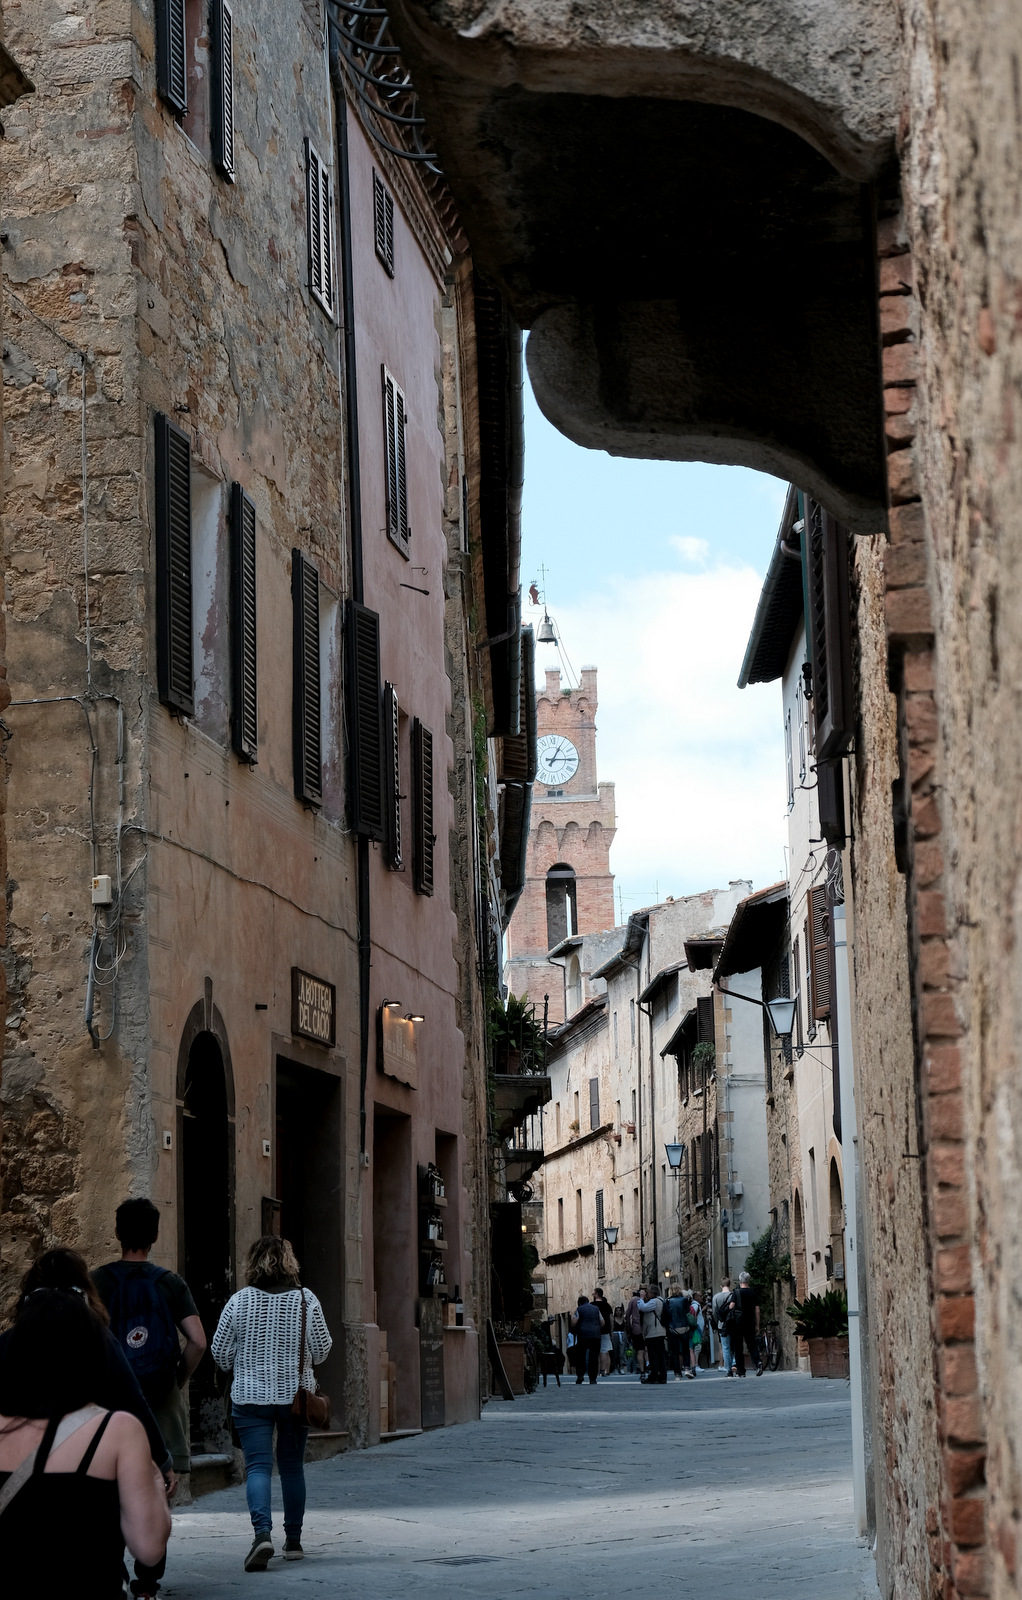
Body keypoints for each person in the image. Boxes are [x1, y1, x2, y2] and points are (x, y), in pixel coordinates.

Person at [1, 1247, 175, 1599]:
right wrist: (158, 1466)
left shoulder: (6, 1344)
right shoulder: (118, 1433)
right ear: (92, 1353)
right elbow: (149, 1546)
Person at [212, 1235, 332, 1570]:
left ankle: (262, 1535)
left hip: (249, 1398)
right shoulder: (307, 1300)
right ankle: (293, 1541)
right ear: (289, 1262)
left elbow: (220, 1354)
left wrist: (247, 1360)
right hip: (295, 1399)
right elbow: (322, 1350)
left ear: (252, 1264)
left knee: (258, 1467)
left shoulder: (238, 1302)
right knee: (292, 1467)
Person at [93, 1197, 207, 1496]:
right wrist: (176, 1381)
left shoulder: (97, 1282)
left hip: (111, 1402)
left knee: (110, 1496)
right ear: (155, 1236)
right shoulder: (171, 1283)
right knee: (158, 1496)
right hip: (162, 1401)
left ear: (117, 1233)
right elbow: (198, 1341)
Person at [636, 1285, 668, 1383]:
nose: (646, 1294)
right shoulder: (660, 1300)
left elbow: (642, 1307)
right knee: (660, 1356)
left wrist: (641, 1298)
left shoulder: (655, 1302)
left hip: (654, 1333)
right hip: (658, 1332)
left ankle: (654, 1376)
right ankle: (662, 1376)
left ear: (653, 1293)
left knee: (654, 1356)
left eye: (648, 1292)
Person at [733, 1270, 763, 1376]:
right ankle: (757, 1362)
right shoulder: (753, 1293)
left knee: (738, 1347)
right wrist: (757, 1325)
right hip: (750, 1322)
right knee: (752, 1344)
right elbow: (757, 1310)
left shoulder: (736, 1292)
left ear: (740, 1280)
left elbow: (731, 1306)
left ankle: (741, 1370)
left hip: (738, 1323)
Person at [569, 1294, 603, 1385]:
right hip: (595, 1335)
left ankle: (580, 1376)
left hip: (583, 1335)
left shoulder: (579, 1309)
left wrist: (572, 1319)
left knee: (581, 1356)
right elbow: (602, 1322)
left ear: (580, 1303)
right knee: (594, 1357)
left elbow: (574, 1323)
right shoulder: (596, 1309)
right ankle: (593, 1378)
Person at [712, 1276, 742, 1377]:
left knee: (725, 1347)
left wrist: (718, 1322)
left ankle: (728, 1370)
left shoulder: (716, 1297)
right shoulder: (733, 1295)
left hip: (722, 1324)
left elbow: (714, 1312)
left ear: (721, 1285)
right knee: (735, 1345)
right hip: (733, 1323)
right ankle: (734, 1363)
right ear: (729, 1284)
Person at [664, 1287, 692, 1379]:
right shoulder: (684, 1300)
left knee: (675, 1352)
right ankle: (687, 1368)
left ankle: (677, 1373)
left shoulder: (667, 1301)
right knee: (685, 1350)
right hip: (684, 1326)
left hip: (673, 1328)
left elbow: (666, 1314)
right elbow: (687, 1311)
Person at [625, 1288, 646, 1377]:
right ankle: (648, 1365)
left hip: (637, 1329)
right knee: (646, 1350)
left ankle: (642, 1370)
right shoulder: (647, 1300)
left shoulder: (633, 1300)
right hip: (648, 1328)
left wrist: (629, 1328)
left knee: (640, 1350)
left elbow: (627, 1315)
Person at [593, 1287, 614, 1375]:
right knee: (604, 1351)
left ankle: (596, 1370)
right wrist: (611, 1331)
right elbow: (611, 1319)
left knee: (595, 1352)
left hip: (594, 1331)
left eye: (594, 1293)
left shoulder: (592, 1305)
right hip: (605, 1330)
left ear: (596, 1294)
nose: (593, 1295)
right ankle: (603, 1370)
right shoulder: (607, 1305)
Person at [685, 1293, 705, 1376]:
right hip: (696, 1329)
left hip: (697, 1328)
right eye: (700, 1296)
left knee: (695, 1347)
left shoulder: (696, 1305)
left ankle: (695, 1364)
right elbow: (693, 1315)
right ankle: (695, 1364)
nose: (701, 1297)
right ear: (695, 1297)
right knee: (696, 1347)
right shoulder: (695, 1305)